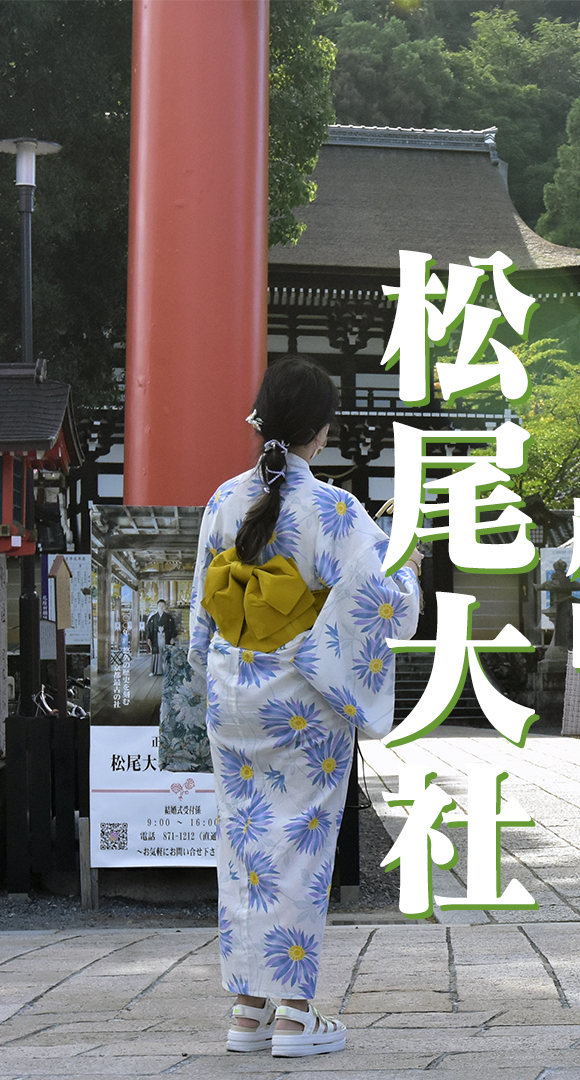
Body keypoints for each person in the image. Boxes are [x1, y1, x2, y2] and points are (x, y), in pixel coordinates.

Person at [188, 355, 423, 1058]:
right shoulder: (335, 511)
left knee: (244, 847)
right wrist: (405, 563)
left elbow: (203, 615)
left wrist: (217, 674)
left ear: (261, 418)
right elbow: (389, 602)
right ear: (320, 433)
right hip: (302, 702)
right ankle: (294, 1014)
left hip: (234, 696)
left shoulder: (222, 501)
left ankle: (245, 1008)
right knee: (300, 848)